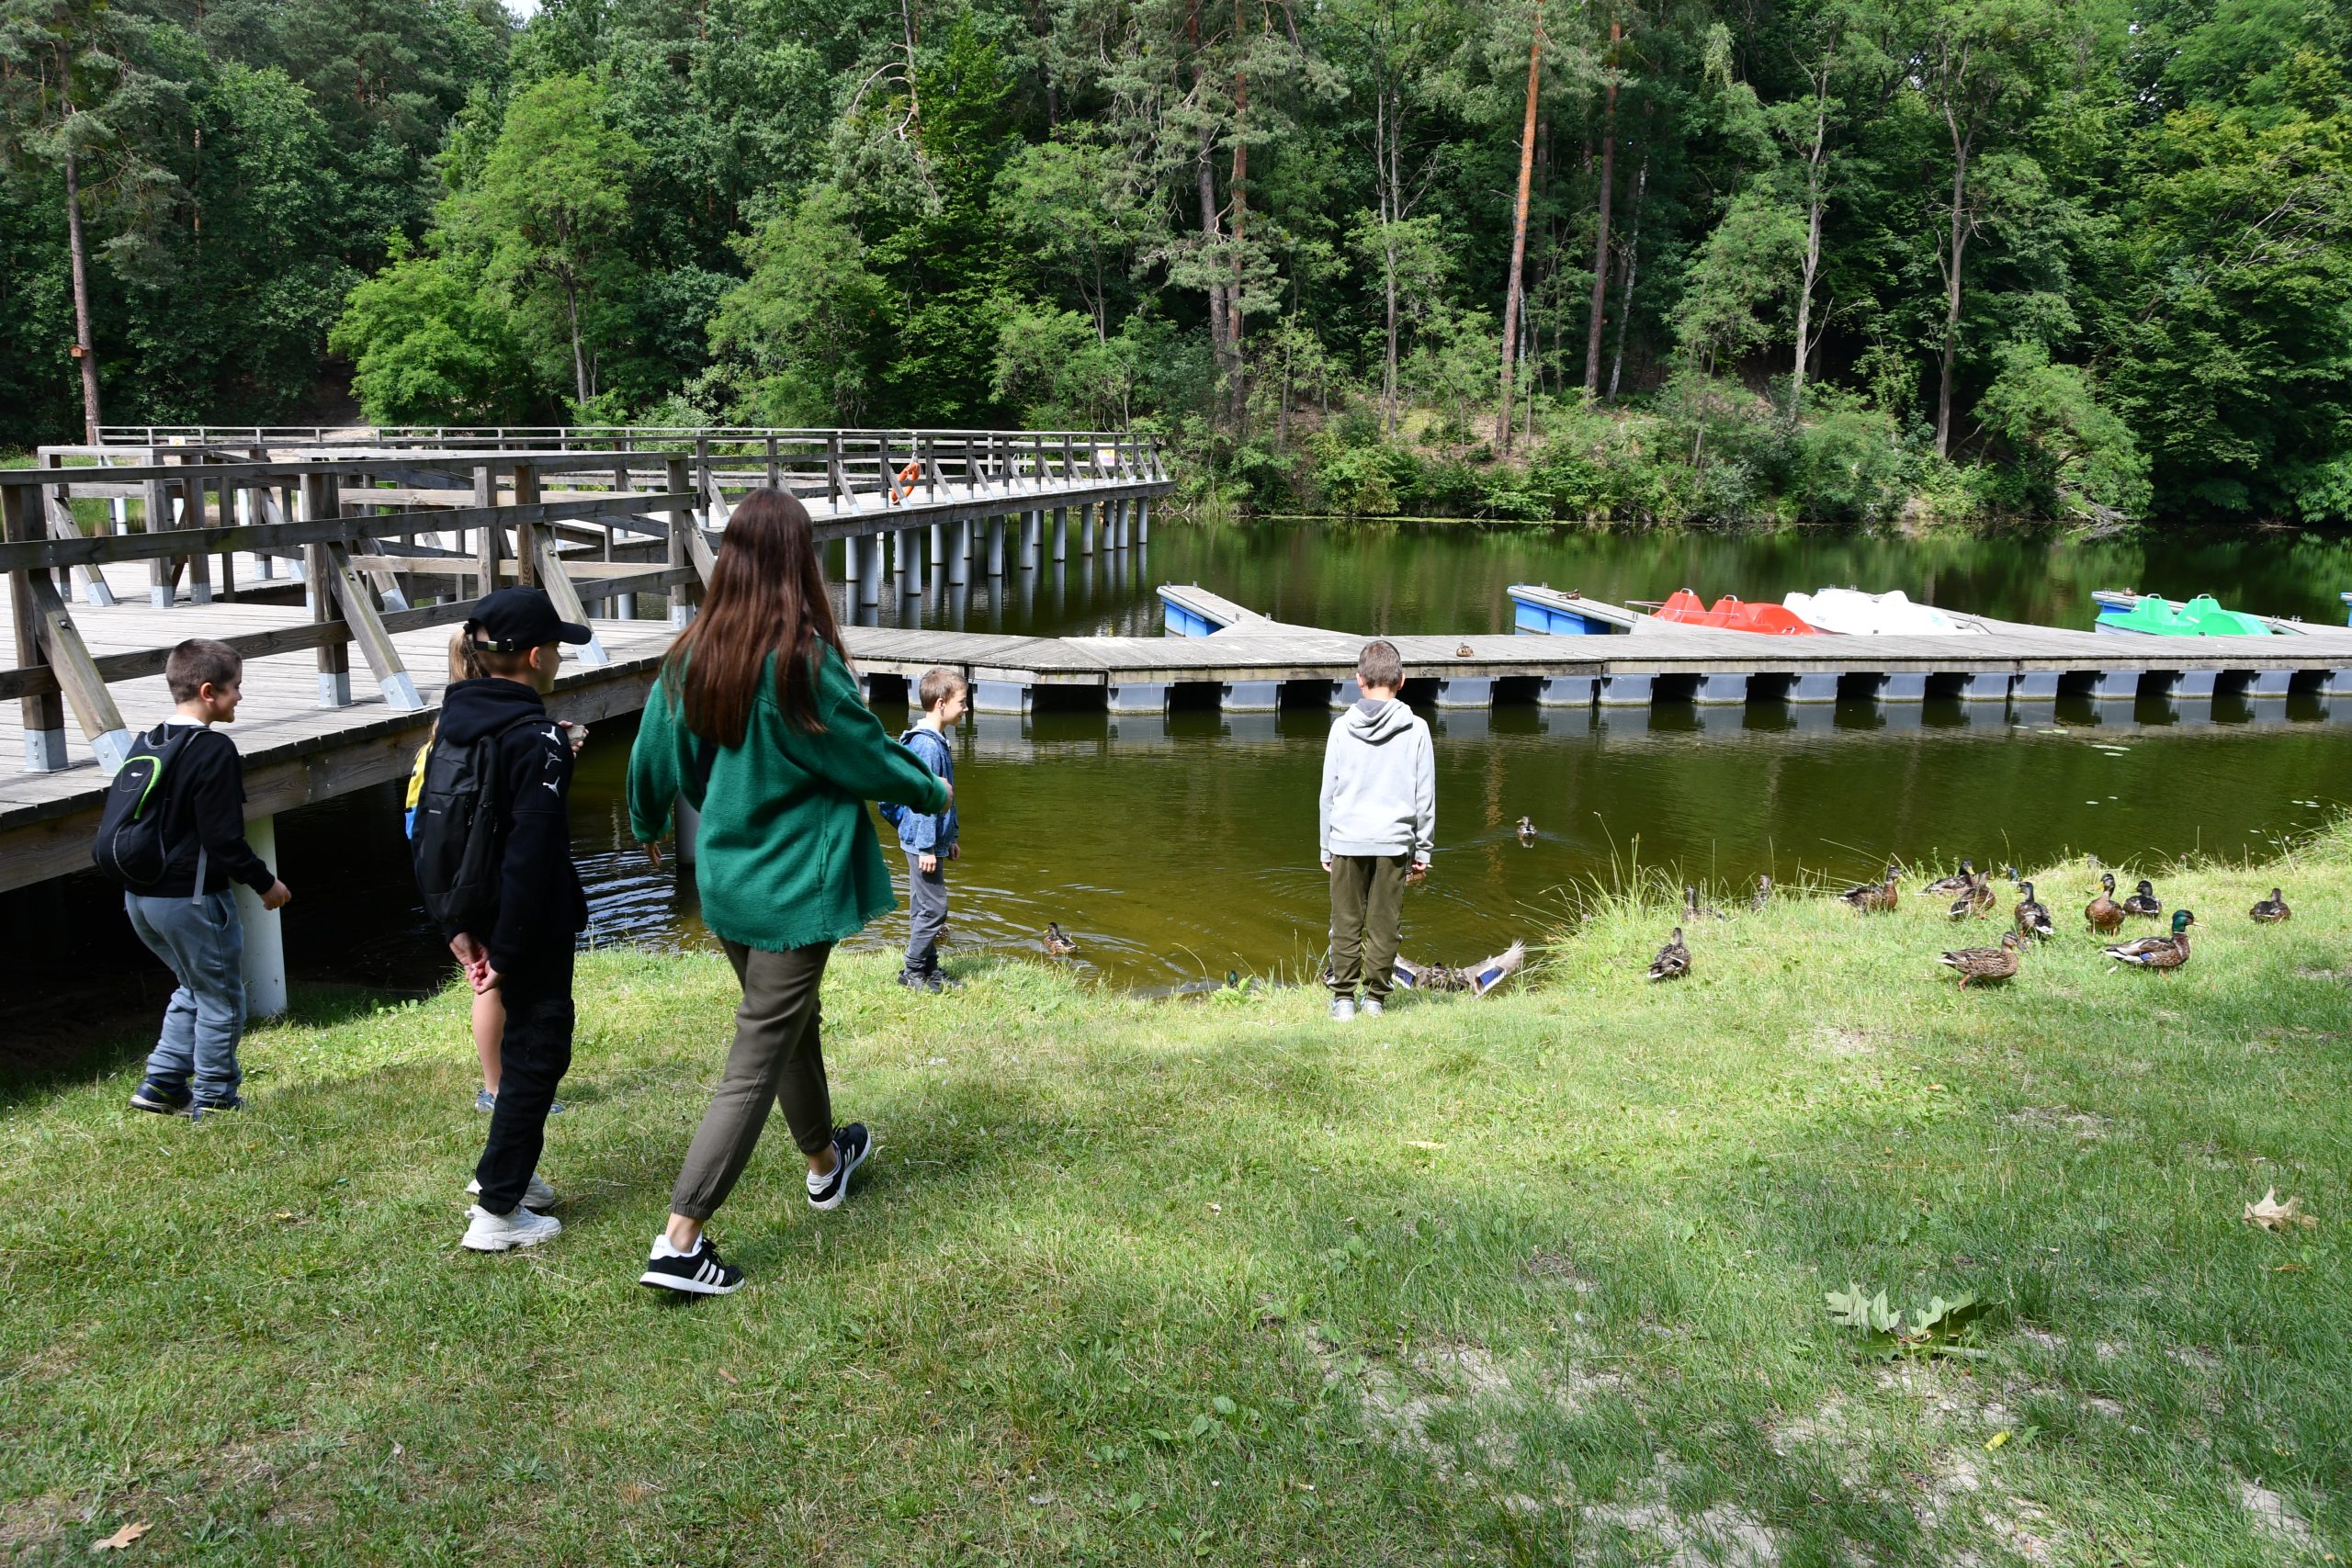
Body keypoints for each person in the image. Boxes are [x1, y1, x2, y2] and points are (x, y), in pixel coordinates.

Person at [627, 491, 949, 1297]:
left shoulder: (692, 652)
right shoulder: (802, 661)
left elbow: (650, 761)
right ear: (798, 563)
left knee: (789, 1028)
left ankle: (824, 1164)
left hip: (729, 888)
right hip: (792, 896)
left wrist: (645, 819)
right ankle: (679, 1241)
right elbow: (866, 755)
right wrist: (933, 790)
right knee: (754, 1059)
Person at [426, 587, 593, 1253]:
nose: (559, 656)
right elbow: (530, 850)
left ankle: (508, 1178)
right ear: (532, 656)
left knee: (528, 1047)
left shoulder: (453, 723)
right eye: (554, 646)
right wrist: (513, 950)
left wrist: (456, 925)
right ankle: (498, 1211)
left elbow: (429, 828)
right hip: (530, 922)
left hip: (479, 915)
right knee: (539, 1046)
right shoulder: (539, 740)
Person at [404, 628, 574, 1116]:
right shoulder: (508, 733)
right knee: (493, 987)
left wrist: (448, 915)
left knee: (490, 984)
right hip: (492, 881)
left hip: (459, 878)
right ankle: (499, 1089)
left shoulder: (447, 731)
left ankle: (502, 1086)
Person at [123, 639, 292, 1117]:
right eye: (236, 687)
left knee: (193, 988)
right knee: (222, 998)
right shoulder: (213, 749)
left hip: (141, 898)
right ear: (208, 691)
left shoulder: (151, 740)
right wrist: (266, 884)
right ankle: (216, 1097)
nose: (240, 697)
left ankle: (161, 1085)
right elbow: (223, 839)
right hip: (190, 899)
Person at [1318, 639, 1435, 1022]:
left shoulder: (1340, 729)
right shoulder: (1417, 729)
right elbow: (1425, 796)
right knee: (1386, 927)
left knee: (1345, 924)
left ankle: (1343, 1003)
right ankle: (1375, 1002)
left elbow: (1328, 793)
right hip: (1394, 842)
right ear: (1401, 681)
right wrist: (1423, 850)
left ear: (1359, 680)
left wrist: (1325, 847)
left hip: (1347, 840)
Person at [885, 668, 967, 992]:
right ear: (942, 704)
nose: (966, 708)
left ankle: (930, 968)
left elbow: (946, 798)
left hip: (929, 840)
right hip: (922, 842)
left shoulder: (935, 741)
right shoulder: (928, 747)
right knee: (934, 908)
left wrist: (951, 837)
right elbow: (922, 802)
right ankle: (912, 971)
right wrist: (927, 848)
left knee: (923, 907)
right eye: (962, 702)